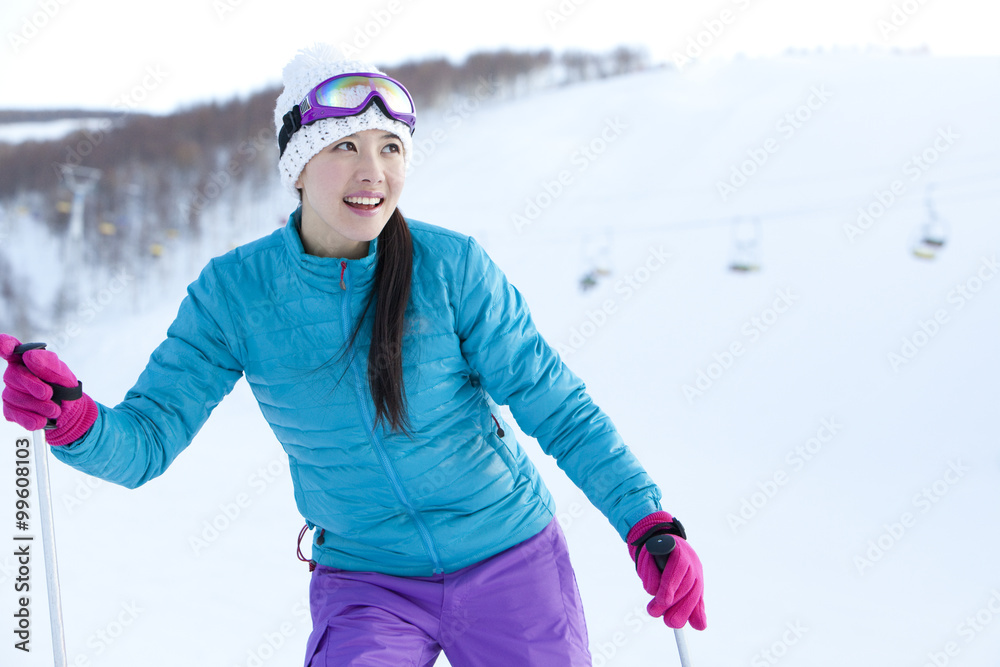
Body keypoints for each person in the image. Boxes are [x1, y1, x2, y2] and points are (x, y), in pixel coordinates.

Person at [0, 44, 706, 666]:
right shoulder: (236, 293)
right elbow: (145, 443)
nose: (373, 170)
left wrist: (647, 521)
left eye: (390, 148)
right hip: (368, 580)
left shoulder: (451, 267)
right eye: (345, 146)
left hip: (509, 559)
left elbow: (560, 408)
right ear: (298, 168)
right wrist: (74, 419)